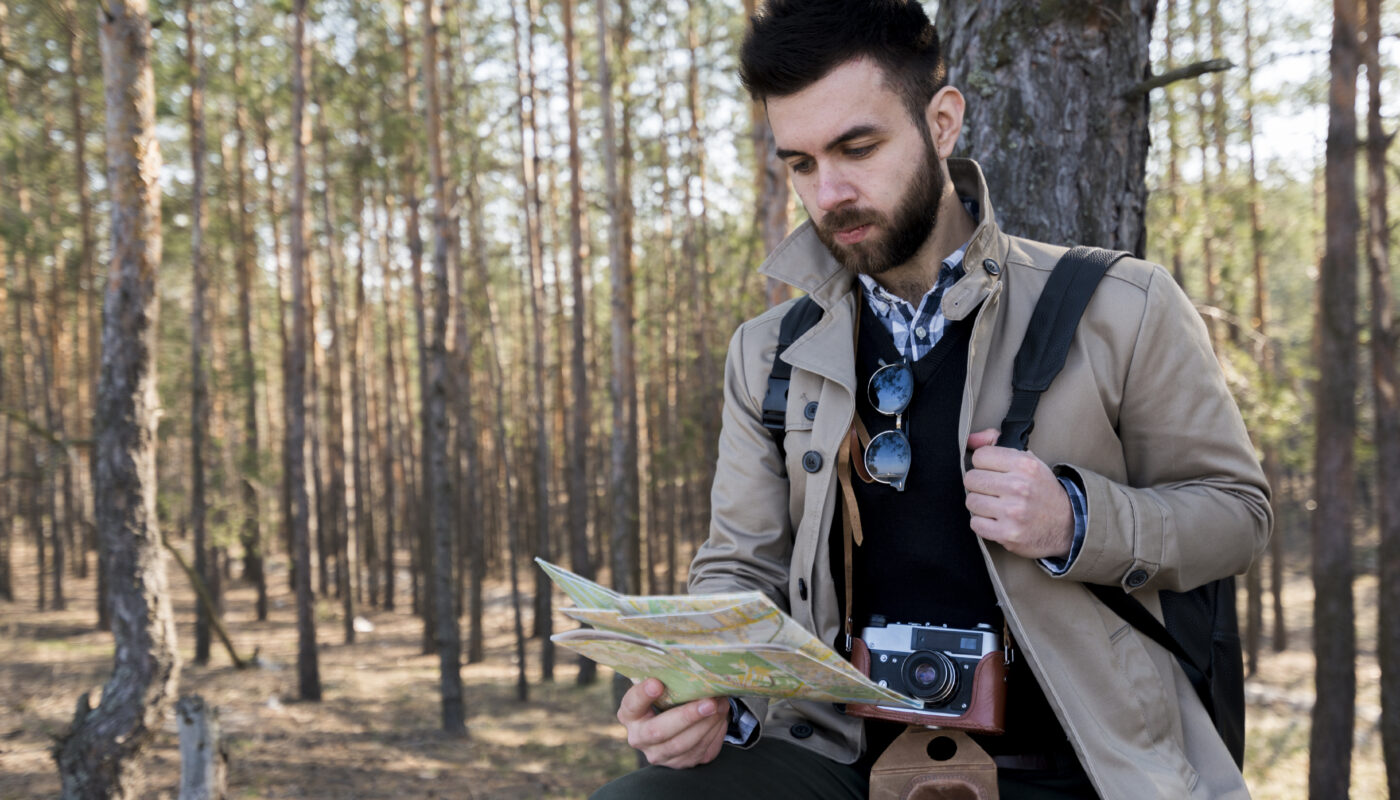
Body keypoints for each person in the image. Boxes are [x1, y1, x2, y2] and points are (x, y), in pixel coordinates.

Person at [593, 1, 1271, 798]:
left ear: (941, 122)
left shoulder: (1122, 304)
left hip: (1075, 765)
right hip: (838, 761)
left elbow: (1236, 515)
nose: (831, 191)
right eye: (801, 163)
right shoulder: (769, 350)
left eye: (858, 146)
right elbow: (740, 565)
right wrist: (708, 689)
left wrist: (1078, 520)